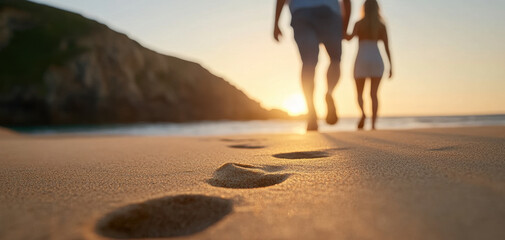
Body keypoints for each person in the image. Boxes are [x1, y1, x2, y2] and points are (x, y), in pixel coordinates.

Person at [274, 0, 351, 131]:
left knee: (308, 63)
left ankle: (311, 114)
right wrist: (344, 26)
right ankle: (330, 92)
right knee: (335, 59)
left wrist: (275, 23)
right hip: (329, 11)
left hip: (301, 12)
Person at [345, 0, 392, 130]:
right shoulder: (381, 26)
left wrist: (342, 26)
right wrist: (391, 66)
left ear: (364, 8)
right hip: (376, 58)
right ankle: (373, 125)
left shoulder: (359, 24)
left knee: (360, 93)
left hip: (362, 58)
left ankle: (363, 114)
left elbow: (348, 38)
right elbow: (387, 47)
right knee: (374, 94)